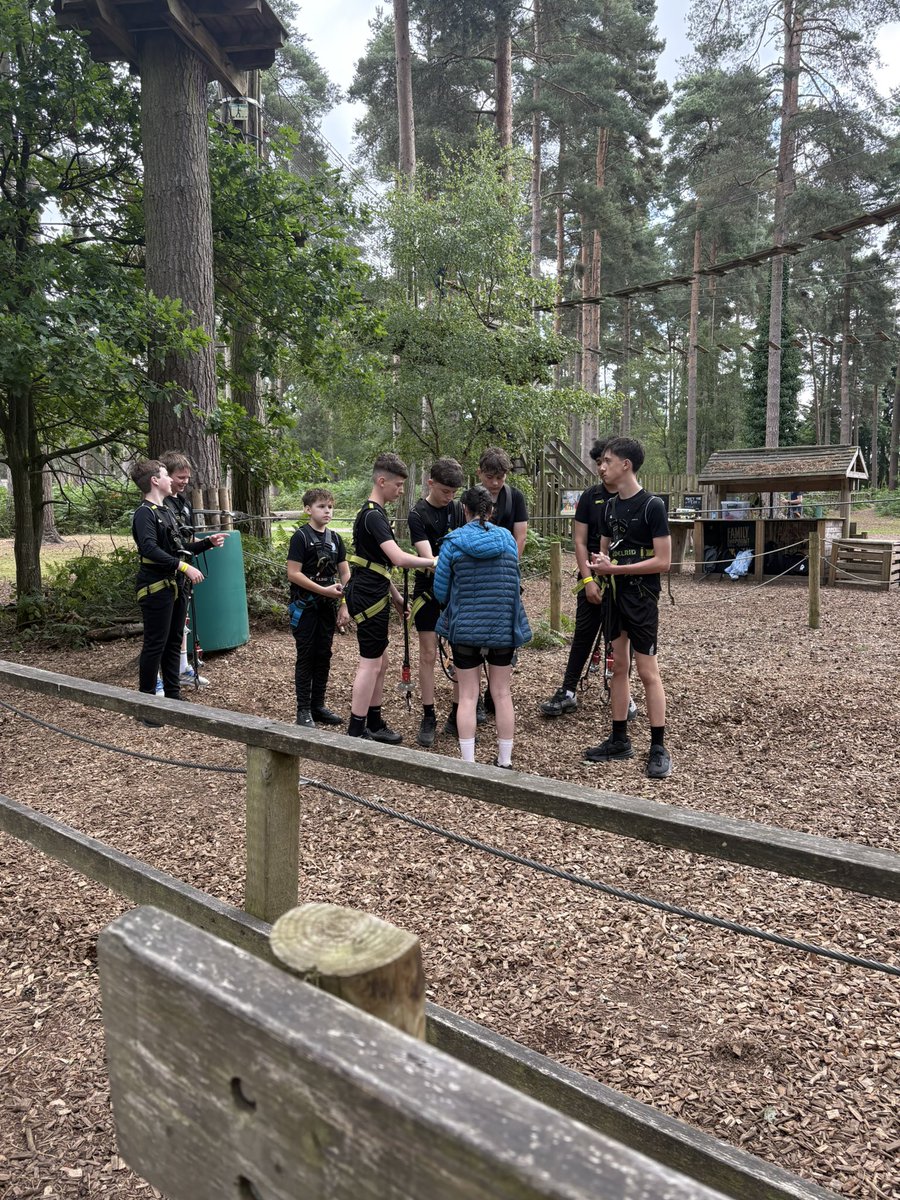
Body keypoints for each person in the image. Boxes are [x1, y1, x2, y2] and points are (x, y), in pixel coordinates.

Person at [584, 436, 673, 780]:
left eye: (607, 460)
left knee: (648, 671)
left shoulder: (652, 506)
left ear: (626, 465)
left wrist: (615, 569)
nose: (601, 466)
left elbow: (663, 561)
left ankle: (658, 746)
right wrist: (601, 562)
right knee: (618, 667)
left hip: (641, 599)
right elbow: (604, 552)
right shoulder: (607, 508)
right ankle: (619, 738)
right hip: (614, 598)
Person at [433, 485, 531, 767]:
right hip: (502, 627)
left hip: (465, 628)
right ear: (491, 511)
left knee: (467, 694)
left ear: (465, 510)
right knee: (501, 693)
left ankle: (468, 763)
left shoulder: (452, 543)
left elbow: (441, 591)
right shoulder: (508, 539)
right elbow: (513, 579)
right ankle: (505, 760)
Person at [540, 438, 637, 722]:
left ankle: (625, 697)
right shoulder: (589, 497)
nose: (602, 468)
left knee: (620, 639)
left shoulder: (635, 498)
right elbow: (579, 542)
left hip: (625, 578)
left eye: (606, 462)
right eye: (598, 463)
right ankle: (568, 690)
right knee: (583, 633)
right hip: (593, 575)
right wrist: (587, 581)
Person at [345, 453, 438, 743]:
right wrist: (433, 561)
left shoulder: (375, 514)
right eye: (397, 485)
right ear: (381, 480)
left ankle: (372, 721)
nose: (400, 490)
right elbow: (396, 559)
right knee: (370, 663)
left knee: (380, 663)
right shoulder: (373, 515)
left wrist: (396, 596)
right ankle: (356, 730)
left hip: (375, 589)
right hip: (367, 593)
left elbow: (373, 562)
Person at [129, 460, 226, 714]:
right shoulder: (144, 513)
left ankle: (173, 697)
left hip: (176, 586)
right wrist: (183, 567)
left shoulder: (167, 511)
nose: (171, 480)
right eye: (165, 474)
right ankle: (147, 706)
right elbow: (149, 549)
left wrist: (207, 544)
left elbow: (178, 548)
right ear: (154, 480)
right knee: (155, 644)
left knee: (173, 641)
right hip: (156, 587)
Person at [406, 457, 465, 747]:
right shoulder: (417, 514)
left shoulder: (457, 509)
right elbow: (428, 559)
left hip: (457, 592)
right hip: (428, 591)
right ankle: (428, 714)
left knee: (460, 653)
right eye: (444, 491)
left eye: (453, 493)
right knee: (428, 654)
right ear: (431, 483)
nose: (449, 497)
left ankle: (458, 712)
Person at [286, 488, 351, 728]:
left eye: (330, 507)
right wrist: (322, 590)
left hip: (329, 606)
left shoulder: (335, 539)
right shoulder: (301, 537)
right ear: (308, 509)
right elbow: (293, 573)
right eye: (321, 506)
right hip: (305, 607)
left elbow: (344, 572)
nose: (327, 511)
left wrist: (345, 603)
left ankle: (318, 705)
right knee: (307, 656)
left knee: (324, 654)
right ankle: (303, 709)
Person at [475, 446, 529, 719]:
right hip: (475, 575)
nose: (495, 483)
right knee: (473, 636)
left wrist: (508, 565)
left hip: (504, 573)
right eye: (490, 477)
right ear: (480, 473)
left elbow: (520, 536)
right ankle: (473, 696)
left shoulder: (514, 498)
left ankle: (495, 692)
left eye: (500, 478)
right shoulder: (471, 498)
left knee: (504, 635)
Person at [159, 450, 216, 690]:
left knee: (180, 626)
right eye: (180, 477)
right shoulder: (158, 506)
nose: (185, 482)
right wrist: (180, 565)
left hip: (183, 575)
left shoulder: (183, 504)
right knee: (161, 633)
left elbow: (185, 545)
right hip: (163, 578)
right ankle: (157, 680)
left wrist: (207, 543)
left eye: (187, 477)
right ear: (165, 476)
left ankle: (181, 670)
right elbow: (160, 549)